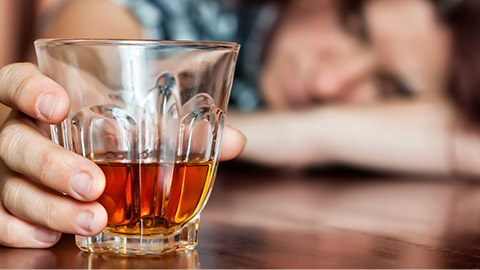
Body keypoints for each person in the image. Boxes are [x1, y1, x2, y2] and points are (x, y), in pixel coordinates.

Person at [0, 0, 478, 248]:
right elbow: (95, 41)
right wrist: (63, 109)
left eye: (390, 88)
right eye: (355, 27)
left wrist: (307, 134)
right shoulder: (207, 12)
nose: (333, 81)